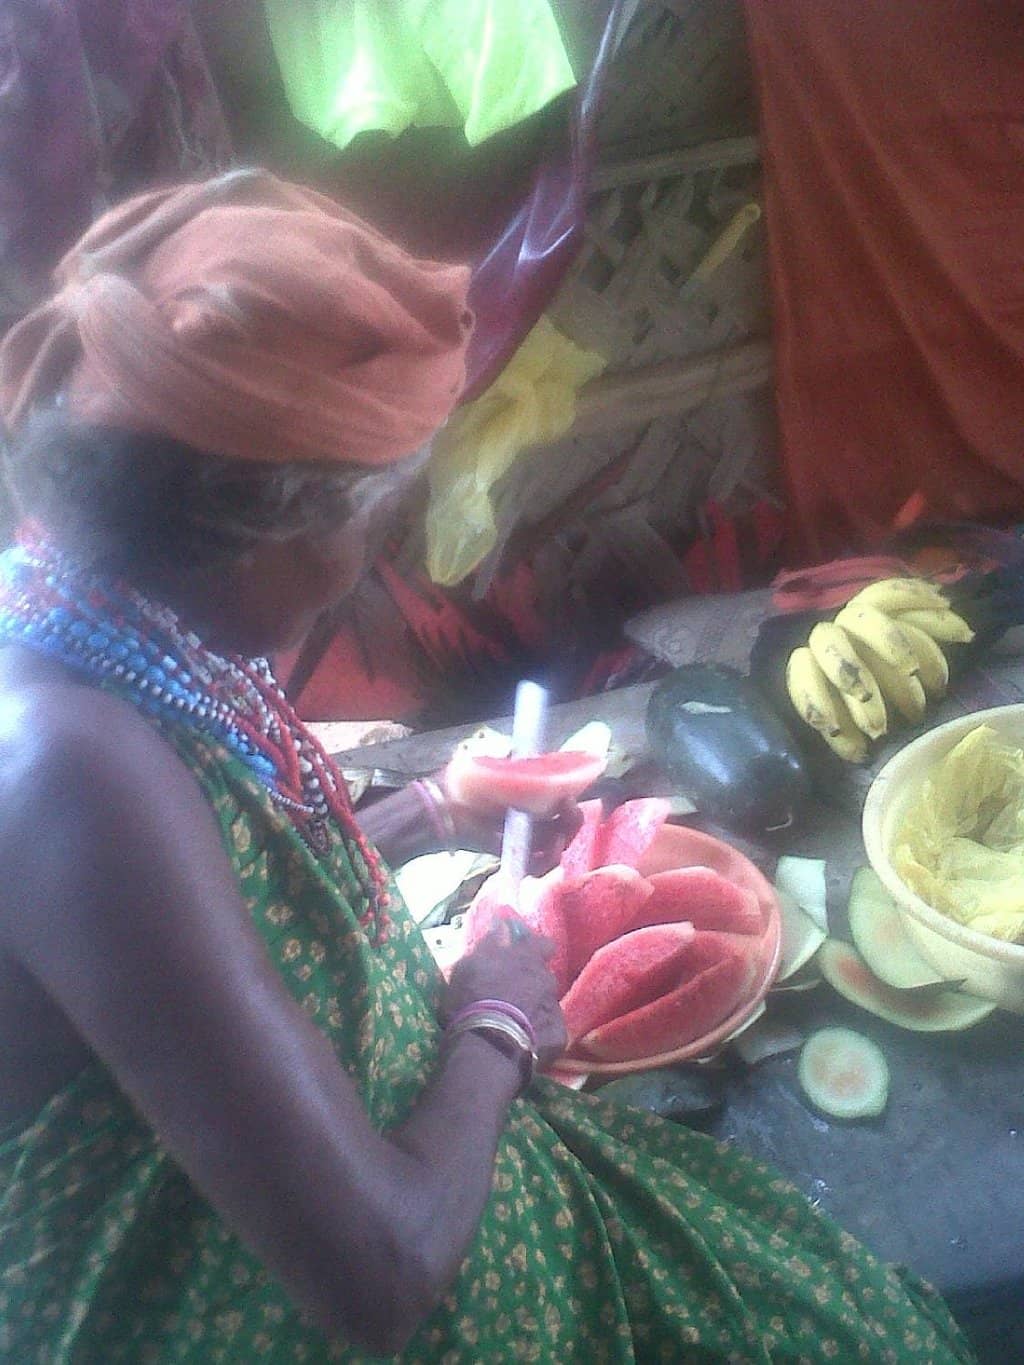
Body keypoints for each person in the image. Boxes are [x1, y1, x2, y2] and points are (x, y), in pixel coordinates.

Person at [0, 170, 974, 1364]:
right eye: (367, 523)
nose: (369, 561)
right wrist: (499, 1018)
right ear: (267, 530)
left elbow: (214, 898)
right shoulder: (66, 778)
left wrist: (435, 805)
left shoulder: (108, 609)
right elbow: (382, 1270)